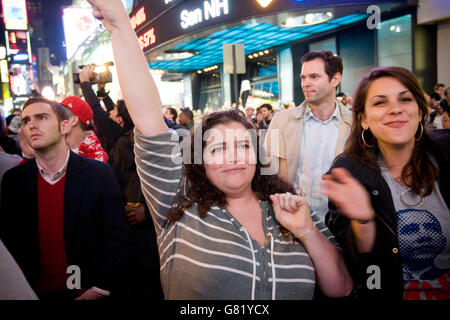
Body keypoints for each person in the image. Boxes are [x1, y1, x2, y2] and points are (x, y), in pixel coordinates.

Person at [87, 0, 353, 300]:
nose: (233, 155)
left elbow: (340, 288)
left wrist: (306, 231)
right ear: (199, 159)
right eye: (217, 148)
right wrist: (121, 24)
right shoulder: (177, 202)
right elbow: (149, 119)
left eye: (243, 145)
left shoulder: (289, 205)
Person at [323, 66, 450, 300]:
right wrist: (363, 221)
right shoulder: (350, 172)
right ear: (363, 120)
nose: (395, 109)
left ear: (420, 112)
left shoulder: (445, 154)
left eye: (405, 99)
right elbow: (365, 271)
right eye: (380, 103)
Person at [0, 96, 131, 300]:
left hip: (88, 292)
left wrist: (99, 289)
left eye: (42, 117)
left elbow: (117, 235)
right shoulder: (14, 181)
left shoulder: (99, 174)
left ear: (65, 126)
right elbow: (10, 243)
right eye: (26, 121)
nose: (32, 125)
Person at [264, 50, 352, 223]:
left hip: (341, 225)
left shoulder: (356, 125)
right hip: (292, 222)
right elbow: (267, 171)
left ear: (335, 79)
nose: (306, 83)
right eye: (303, 77)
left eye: (314, 77)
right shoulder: (280, 121)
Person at [60, 96, 108, 162]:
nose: (55, 121)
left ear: (73, 120)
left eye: (59, 116)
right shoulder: (54, 151)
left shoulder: (97, 159)